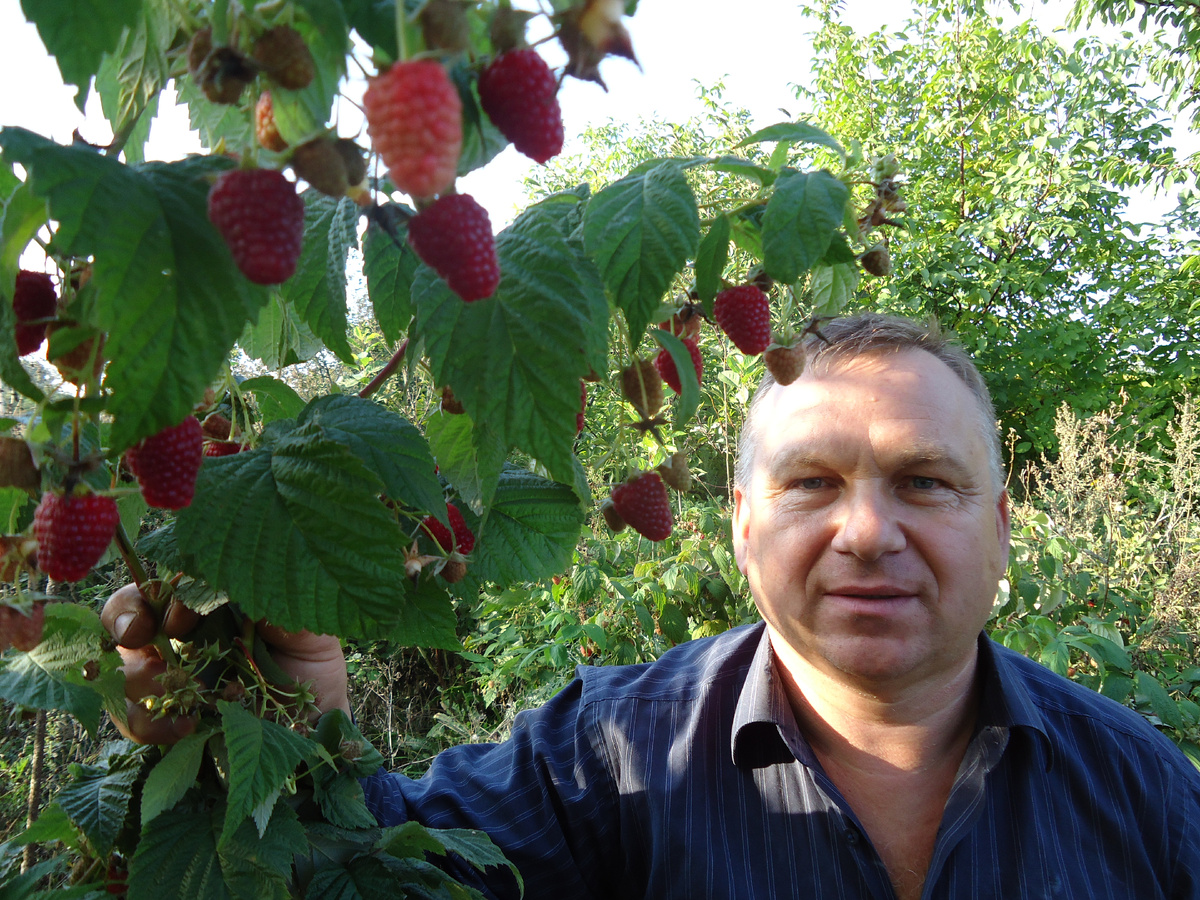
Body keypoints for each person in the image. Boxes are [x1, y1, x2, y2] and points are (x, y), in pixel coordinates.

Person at [114, 313, 1200, 899]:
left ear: (999, 525)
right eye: (811, 483)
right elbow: (371, 868)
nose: (868, 531)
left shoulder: (1147, 792)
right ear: (741, 525)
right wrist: (297, 707)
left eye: (925, 481)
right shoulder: (607, 756)